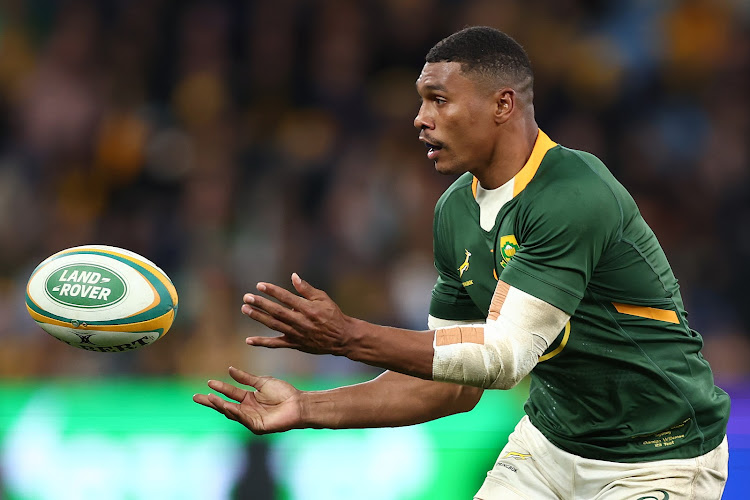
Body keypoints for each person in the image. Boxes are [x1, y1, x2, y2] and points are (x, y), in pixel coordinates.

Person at [194, 26, 730, 499]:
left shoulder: (573, 193)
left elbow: (502, 359)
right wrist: (307, 408)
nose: (420, 118)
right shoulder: (455, 211)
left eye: (438, 99)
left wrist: (346, 336)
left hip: (660, 456)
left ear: (503, 105)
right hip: (551, 444)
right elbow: (452, 383)